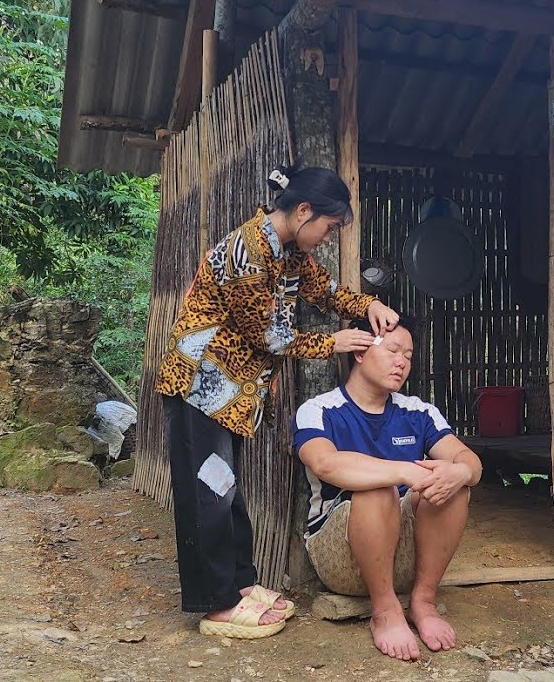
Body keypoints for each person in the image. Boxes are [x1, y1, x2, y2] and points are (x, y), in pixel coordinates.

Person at [155, 163, 400, 640]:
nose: (327, 238)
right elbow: (268, 335)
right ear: (304, 211)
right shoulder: (249, 251)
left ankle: (240, 585)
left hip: (230, 394)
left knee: (227, 490)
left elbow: (322, 289)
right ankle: (218, 605)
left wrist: (364, 305)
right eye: (328, 227)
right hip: (201, 386)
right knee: (209, 494)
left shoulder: (287, 249)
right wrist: (334, 343)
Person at [293, 317, 481, 661]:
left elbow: (469, 460)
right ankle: (384, 611)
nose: (402, 362)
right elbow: (324, 463)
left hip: (407, 559)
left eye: (408, 356)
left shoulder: (419, 412)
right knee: (378, 490)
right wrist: (403, 471)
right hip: (343, 560)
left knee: (452, 485)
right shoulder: (320, 410)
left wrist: (462, 471)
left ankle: (422, 602)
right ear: (361, 352)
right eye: (393, 350)